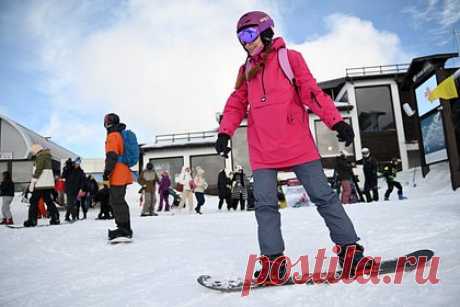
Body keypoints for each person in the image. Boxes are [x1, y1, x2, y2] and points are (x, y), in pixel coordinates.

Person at [215, 11, 371, 280]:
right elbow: (236, 103)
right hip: (263, 148)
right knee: (264, 206)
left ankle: (351, 254)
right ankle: (274, 263)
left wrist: (336, 122)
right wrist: (224, 132)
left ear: (264, 32)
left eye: (250, 34)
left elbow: (312, 92)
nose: (246, 42)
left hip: (297, 143)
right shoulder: (246, 70)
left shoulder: (290, 59)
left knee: (324, 197)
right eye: (241, 37)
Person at [103, 113, 134, 240]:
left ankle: (124, 229)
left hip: (118, 173)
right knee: (116, 200)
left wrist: (106, 172)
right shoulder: (119, 134)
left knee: (117, 201)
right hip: (123, 172)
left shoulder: (113, 135)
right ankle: (124, 227)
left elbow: (112, 156)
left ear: (108, 122)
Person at [23, 144, 60, 227]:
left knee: (33, 201)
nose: (32, 153)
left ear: (36, 150)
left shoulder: (41, 156)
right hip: (47, 184)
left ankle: (32, 220)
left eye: (33, 151)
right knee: (48, 201)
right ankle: (55, 217)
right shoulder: (47, 156)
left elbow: (39, 169)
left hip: (40, 183)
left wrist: (33, 181)